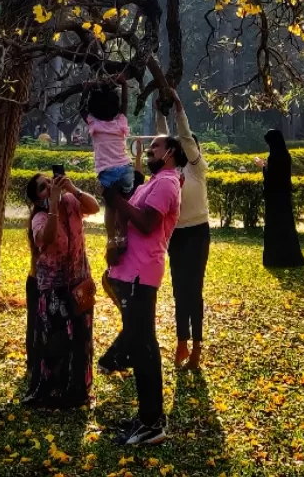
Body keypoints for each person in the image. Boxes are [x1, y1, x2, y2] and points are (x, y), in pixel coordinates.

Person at [101, 133, 186, 449]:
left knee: (144, 347)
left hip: (142, 274)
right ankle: (148, 416)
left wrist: (116, 200)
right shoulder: (154, 182)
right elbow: (128, 217)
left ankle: (152, 423)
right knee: (139, 345)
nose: (150, 152)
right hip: (129, 271)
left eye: (156, 148)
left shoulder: (167, 183)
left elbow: (149, 224)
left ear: (172, 152)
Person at [23, 172, 100, 409]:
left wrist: (72, 188)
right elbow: (45, 238)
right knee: (56, 339)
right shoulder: (39, 217)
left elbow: (95, 207)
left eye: (50, 182)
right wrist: (53, 202)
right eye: (43, 188)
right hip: (54, 288)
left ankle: (78, 389)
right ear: (36, 200)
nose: (49, 187)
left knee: (81, 337)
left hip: (79, 283)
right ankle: (53, 389)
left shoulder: (70, 201)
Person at [155, 89, 210, 369]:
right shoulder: (171, 172)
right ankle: (181, 344)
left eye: (190, 148)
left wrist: (179, 110)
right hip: (177, 235)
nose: (188, 149)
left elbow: (184, 138)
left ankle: (197, 349)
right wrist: (160, 113)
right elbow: (167, 142)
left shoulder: (198, 169)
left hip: (198, 232)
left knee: (194, 291)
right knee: (179, 291)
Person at [83, 72, 138, 267]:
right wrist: (123, 85)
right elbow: (124, 106)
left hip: (107, 172)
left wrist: (86, 89)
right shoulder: (120, 122)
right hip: (125, 169)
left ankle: (110, 238)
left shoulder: (94, 124)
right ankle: (123, 235)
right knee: (123, 206)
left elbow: (82, 109)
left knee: (111, 208)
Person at [261, 130, 304, 269]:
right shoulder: (285, 155)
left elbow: (271, 177)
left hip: (274, 198)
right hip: (284, 197)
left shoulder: (273, 157)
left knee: (274, 226)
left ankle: (274, 257)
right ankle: (289, 255)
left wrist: (262, 166)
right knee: (286, 226)